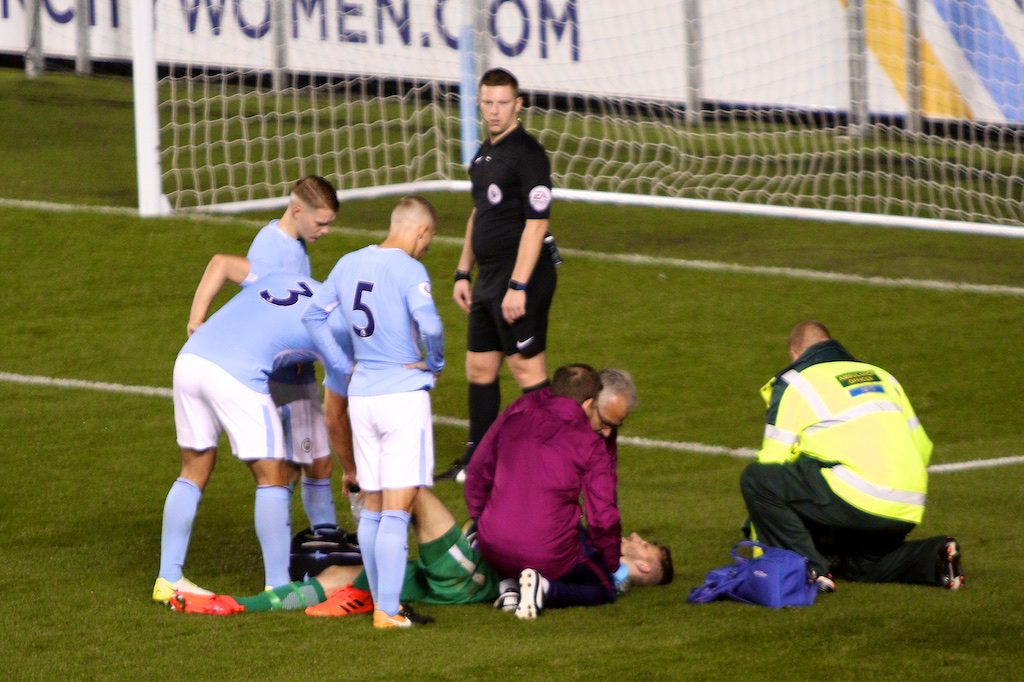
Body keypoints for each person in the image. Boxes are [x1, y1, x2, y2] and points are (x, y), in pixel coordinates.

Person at [154, 261, 351, 603]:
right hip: (236, 374)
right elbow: (336, 416)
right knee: (272, 473)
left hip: (190, 359)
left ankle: (168, 579)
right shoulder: (340, 329)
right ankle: (278, 585)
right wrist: (354, 469)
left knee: (193, 469)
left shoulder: (288, 278)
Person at [168, 488, 671, 617]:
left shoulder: (614, 570)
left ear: (645, 564)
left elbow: (609, 584)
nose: (633, 538)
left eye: (642, 545)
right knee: (347, 572)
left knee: (415, 492)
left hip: (469, 574)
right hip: (459, 574)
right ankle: (238, 606)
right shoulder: (598, 555)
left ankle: (365, 501)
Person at [303, 195, 445, 629]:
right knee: (397, 509)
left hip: (362, 396)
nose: (425, 248)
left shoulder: (348, 263)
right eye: (428, 240)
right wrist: (434, 363)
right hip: (401, 396)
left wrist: (341, 366)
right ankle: (388, 609)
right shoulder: (410, 270)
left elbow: (313, 316)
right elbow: (433, 326)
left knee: (374, 504)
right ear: (420, 231)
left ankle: (376, 600)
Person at [740, 320, 964, 593]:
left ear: (795, 354)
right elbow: (923, 447)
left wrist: (760, 544)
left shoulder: (796, 382)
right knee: (862, 565)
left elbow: (773, 461)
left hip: (858, 497)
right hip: (908, 503)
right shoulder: (882, 376)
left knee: (758, 480)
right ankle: (936, 558)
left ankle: (807, 571)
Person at [187, 175, 350, 533]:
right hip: (281, 381)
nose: (325, 231)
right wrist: (196, 319)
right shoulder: (271, 247)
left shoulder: (292, 243)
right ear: (296, 211)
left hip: (296, 375)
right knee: (308, 464)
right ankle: (317, 547)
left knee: (305, 464)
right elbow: (223, 266)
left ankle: (314, 545)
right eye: (321, 223)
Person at [465, 364, 669, 620]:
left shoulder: (522, 410)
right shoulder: (589, 442)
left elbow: (478, 470)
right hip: (544, 551)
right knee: (603, 585)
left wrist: (480, 521)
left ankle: (509, 585)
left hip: (491, 542)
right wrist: (608, 564)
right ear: (590, 404)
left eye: (617, 427)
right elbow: (603, 517)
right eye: (605, 422)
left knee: (551, 526)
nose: (608, 433)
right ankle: (544, 589)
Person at [439, 67, 558, 482]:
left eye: (502, 103)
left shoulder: (529, 156)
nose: (494, 111)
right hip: (488, 276)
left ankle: (548, 461)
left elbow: (537, 224)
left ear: (518, 105)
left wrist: (518, 286)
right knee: (479, 369)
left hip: (520, 277)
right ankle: (479, 458)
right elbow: (479, 214)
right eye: (487, 102)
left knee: (527, 369)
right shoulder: (483, 154)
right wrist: (461, 271)